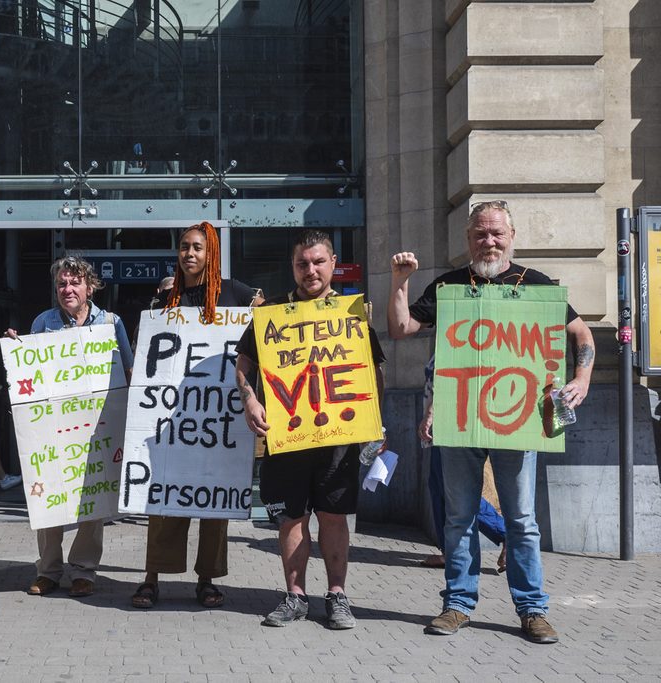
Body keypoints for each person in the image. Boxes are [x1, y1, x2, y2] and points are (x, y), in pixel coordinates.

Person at [388, 199, 596, 644]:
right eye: (480, 234)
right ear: (467, 239)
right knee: (458, 517)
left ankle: (532, 609)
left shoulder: (536, 286)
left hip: (517, 423)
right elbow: (402, 327)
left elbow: (581, 333)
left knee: (521, 519)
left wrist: (581, 377)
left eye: (497, 233)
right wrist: (400, 283)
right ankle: (458, 605)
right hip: (459, 420)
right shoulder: (449, 287)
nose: (489, 241)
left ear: (512, 237)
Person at [234, 229, 385, 629]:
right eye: (303, 263)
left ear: (333, 264)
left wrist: (375, 422)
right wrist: (250, 399)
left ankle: (337, 595)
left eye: (318, 262)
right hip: (288, 435)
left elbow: (373, 372)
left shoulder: (350, 313)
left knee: (334, 517)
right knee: (292, 518)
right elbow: (243, 364)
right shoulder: (272, 314)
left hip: (339, 437)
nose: (311, 270)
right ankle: (296, 596)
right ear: (293, 268)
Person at [130, 220, 262, 610]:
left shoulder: (233, 292)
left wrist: (260, 308)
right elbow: (145, 350)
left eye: (198, 248)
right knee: (163, 499)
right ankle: (152, 577)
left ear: (212, 253)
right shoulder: (167, 295)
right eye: (185, 247)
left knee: (213, 501)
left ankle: (206, 580)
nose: (190, 254)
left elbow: (264, 324)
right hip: (170, 420)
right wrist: (158, 302)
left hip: (216, 419)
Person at [8, 255, 133, 598]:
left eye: (74, 282)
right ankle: (48, 570)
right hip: (52, 428)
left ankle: (84, 571)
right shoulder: (43, 322)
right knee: (48, 497)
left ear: (89, 286)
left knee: (92, 500)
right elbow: (30, 374)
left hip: (96, 428)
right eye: (62, 283)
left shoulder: (111, 322)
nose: (67, 289)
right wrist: (17, 353)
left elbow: (127, 370)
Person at [418, 357, 506, 571]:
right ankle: (448, 551)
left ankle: (507, 533)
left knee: (457, 492)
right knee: (439, 489)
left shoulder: (460, 335)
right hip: (444, 423)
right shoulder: (444, 336)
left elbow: (456, 375)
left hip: (453, 422)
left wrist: (432, 410)